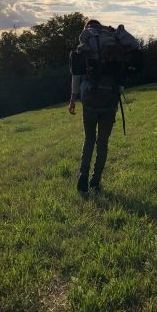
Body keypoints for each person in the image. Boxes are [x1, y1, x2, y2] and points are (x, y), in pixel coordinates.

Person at [68, 20, 119, 193]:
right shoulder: (112, 46)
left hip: (89, 100)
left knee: (89, 139)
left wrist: (73, 100)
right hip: (109, 101)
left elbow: (76, 77)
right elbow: (120, 77)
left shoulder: (85, 47)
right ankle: (95, 182)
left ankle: (83, 175)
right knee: (102, 143)